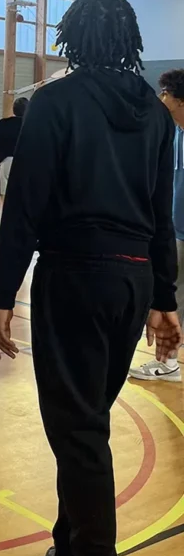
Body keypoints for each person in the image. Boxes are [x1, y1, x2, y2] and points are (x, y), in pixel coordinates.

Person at [0, 0, 181, 556]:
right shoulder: (154, 110)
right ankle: (69, 546)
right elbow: (158, 209)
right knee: (87, 420)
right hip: (133, 281)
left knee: (77, 431)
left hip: (74, 276)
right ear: (128, 40)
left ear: (74, 38)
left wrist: (2, 294)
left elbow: (25, 202)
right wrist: (164, 297)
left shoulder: (55, 100)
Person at [129, 67, 184, 383]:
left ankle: (169, 361)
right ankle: (169, 362)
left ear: (179, 100)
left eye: (166, 95)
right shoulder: (168, 132)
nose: (161, 100)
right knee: (173, 294)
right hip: (172, 230)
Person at [0, 96, 28, 195]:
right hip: (26, 163)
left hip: (5, 160)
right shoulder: (32, 124)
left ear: (14, 109)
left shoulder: (2, 124)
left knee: (4, 194)